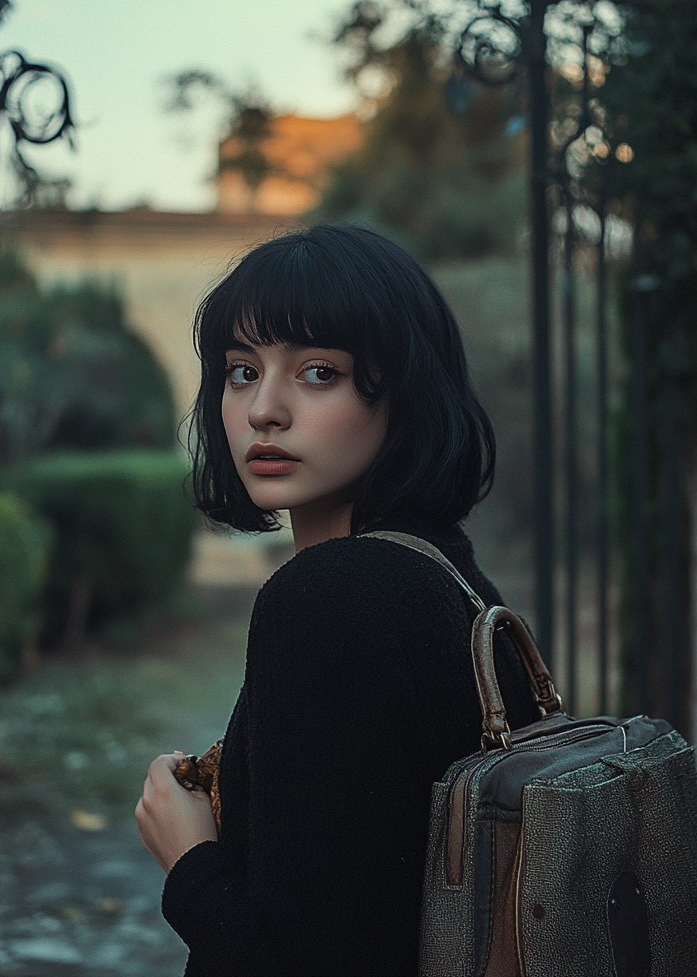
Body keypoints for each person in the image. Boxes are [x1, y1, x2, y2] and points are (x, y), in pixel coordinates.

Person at [135, 223, 540, 976]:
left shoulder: (330, 600)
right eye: (241, 371)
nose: (264, 410)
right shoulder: (445, 577)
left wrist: (189, 860)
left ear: (405, 389)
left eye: (318, 372)